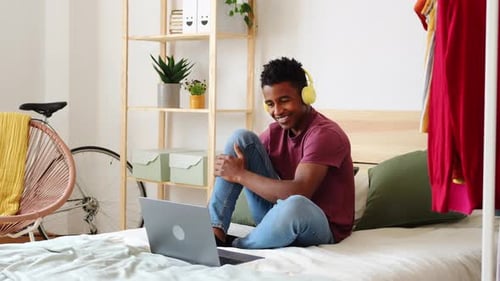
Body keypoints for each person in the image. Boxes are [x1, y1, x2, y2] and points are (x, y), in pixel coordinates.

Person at [208, 57, 355, 249]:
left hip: (320, 225)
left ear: (305, 96)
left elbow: (299, 191)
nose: (277, 111)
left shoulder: (325, 134)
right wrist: (230, 169)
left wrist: (239, 174)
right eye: (270, 103)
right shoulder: (275, 132)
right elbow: (240, 159)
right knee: (240, 139)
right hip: (277, 215)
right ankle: (214, 233)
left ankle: (236, 246)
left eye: (284, 101)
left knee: (295, 204)